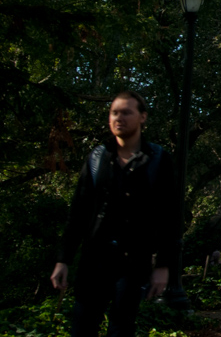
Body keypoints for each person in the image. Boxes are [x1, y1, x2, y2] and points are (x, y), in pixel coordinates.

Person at [51, 91, 179, 337]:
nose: (119, 118)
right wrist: (63, 259)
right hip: (94, 260)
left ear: (143, 117)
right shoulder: (97, 158)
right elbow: (78, 212)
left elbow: (169, 217)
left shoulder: (157, 159)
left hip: (133, 262)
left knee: (121, 328)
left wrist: (164, 265)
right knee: (82, 326)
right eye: (114, 113)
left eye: (126, 112)